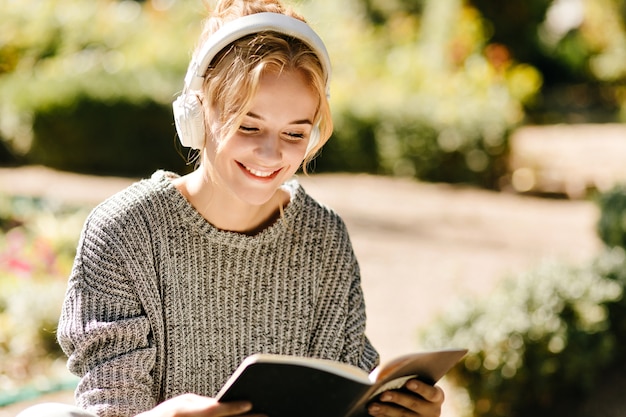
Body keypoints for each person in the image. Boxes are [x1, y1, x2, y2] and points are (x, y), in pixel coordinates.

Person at [18, 0, 445, 416]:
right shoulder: (126, 231)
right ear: (196, 114)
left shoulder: (323, 237)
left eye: (295, 134)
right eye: (249, 125)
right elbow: (112, 406)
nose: (270, 153)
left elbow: (346, 385)